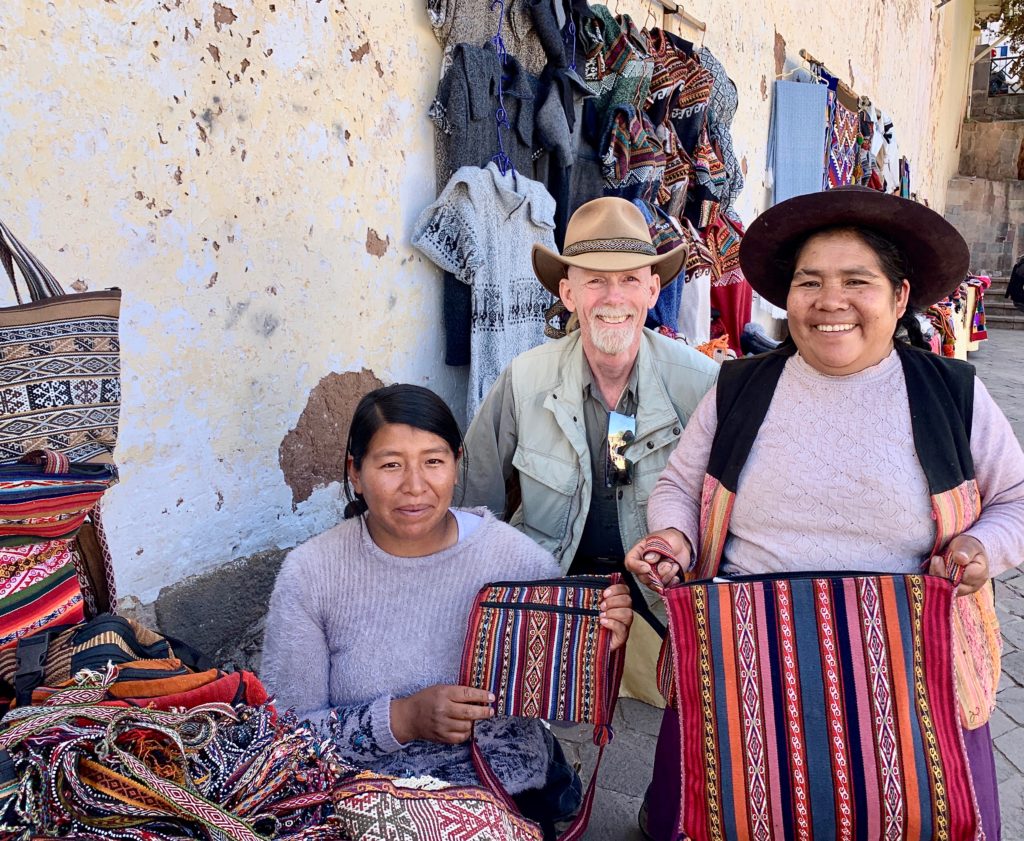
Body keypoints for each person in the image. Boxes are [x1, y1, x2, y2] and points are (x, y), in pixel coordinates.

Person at [626, 186, 1024, 841]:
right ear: (788, 298)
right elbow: (677, 485)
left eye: (856, 281)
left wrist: (980, 549)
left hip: (909, 664)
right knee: (729, 813)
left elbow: (1012, 500)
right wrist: (672, 533)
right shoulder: (739, 388)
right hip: (746, 653)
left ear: (899, 298)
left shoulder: (952, 395)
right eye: (810, 281)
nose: (829, 301)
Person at [261, 384, 633, 836]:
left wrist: (595, 654)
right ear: (355, 473)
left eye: (433, 461)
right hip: (366, 800)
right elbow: (286, 741)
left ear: (456, 464)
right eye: (391, 464)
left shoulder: (516, 562)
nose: (414, 486)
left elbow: (566, 709)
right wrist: (404, 718)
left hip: (505, 790)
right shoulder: (311, 574)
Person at [460, 197, 720, 705]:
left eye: (628, 279)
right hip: (549, 591)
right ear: (568, 291)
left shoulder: (700, 384)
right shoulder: (524, 378)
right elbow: (474, 500)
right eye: (595, 279)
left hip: (655, 600)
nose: (612, 296)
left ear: (653, 289)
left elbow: (726, 513)